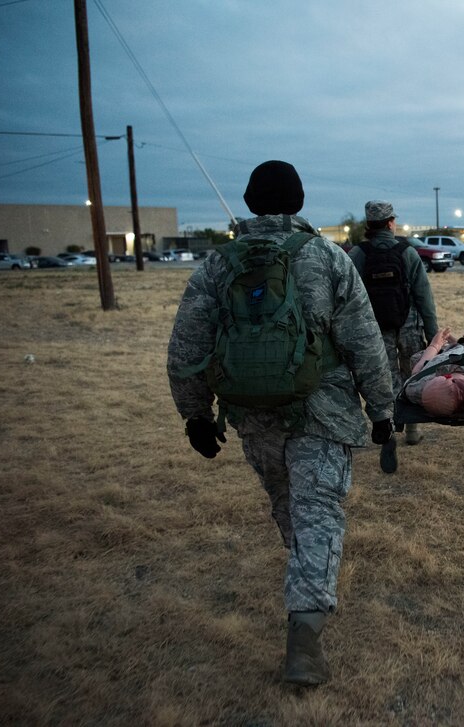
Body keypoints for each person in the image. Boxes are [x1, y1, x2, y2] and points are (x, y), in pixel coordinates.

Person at [166, 160, 395, 687]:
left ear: (249, 203)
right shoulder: (327, 259)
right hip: (323, 410)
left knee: (289, 503)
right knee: (317, 514)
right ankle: (305, 639)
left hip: (253, 414)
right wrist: (381, 409)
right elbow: (363, 339)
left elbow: (187, 347)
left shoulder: (218, 265)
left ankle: (307, 584)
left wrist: (195, 414)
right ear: (297, 202)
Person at [347, 201, 439, 465]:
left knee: (383, 378)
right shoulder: (407, 252)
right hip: (408, 322)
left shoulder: (358, 254)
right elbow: (424, 297)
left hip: (375, 326)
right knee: (412, 372)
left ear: (368, 225)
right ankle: (412, 430)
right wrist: (433, 334)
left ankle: (388, 431)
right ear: (390, 222)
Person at [403, 327, 464, 417]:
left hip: (446, 356)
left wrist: (435, 345)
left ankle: (456, 345)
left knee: (417, 358)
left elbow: (417, 372)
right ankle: (462, 344)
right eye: (461, 403)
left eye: (459, 392)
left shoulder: (416, 390)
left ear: (447, 376)